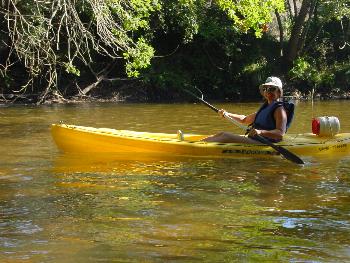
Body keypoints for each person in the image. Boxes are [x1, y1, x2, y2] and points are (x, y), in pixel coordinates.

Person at [202, 76, 288, 144]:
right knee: (221, 134)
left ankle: (199, 147)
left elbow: (280, 133)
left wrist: (260, 132)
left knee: (225, 136)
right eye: (265, 89)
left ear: (279, 92)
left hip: (266, 142)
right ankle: (199, 143)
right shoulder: (266, 107)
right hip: (258, 139)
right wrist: (226, 114)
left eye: (272, 89)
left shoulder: (279, 110)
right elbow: (245, 119)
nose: (268, 92)